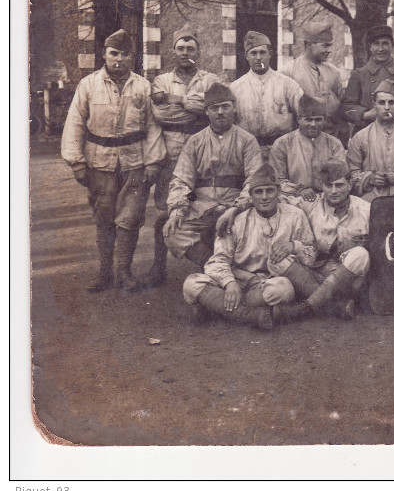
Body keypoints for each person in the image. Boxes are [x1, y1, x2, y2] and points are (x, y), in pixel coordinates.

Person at [61, 29, 165, 293]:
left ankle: (124, 273)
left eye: (125, 54)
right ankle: (104, 273)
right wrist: (77, 161)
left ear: (132, 56)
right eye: (114, 53)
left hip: (134, 164)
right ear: (104, 54)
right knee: (104, 217)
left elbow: (153, 125)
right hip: (100, 164)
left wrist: (153, 162)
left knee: (130, 219)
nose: (119, 59)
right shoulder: (89, 85)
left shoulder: (142, 86)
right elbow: (74, 122)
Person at [182, 164, 317, 330]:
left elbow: (311, 256)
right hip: (237, 279)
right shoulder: (236, 221)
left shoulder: (295, 215)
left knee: (284, 289)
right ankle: (252, 315)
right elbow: (218, 261)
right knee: (191, 283)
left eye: (270, 190)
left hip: (267, 283)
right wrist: (229, 283)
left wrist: (293, 246)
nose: (264, 197)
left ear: (278, 192)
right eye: (258, 192)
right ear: (251, 196)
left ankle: (217, 308)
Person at [148, 26, 221, 286]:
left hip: (203, 157)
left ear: (198, 52)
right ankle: (158, 267)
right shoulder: (161, 81)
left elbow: (212, 107)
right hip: (172, 156)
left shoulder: (211, 80)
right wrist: (189, 105)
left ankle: (210, 265)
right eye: (181, 48)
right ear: (173, 51)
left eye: (190, 48)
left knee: (203, 205)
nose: (185, 53)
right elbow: (161, 114)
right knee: (166, 210)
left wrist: (177, 102)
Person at [163, 83, 264, 268]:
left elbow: (254, 180)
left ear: (234, 107)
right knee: (172, 232)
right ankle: (213, 266)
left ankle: (234, 269)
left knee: (253, 234)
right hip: (200, 206)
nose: (220, 112)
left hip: (235, 206)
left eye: (225, 106)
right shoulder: (195, 141)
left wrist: (236, 208)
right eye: (214, 108)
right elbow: (182, 179)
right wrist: (178, 209)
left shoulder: (247, 140)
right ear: (206, 112)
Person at [275, 159, 371, 323]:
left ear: (349, 185)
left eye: (339, 185)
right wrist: (235, 209)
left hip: (349, 281)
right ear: (322, 186)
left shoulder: (366, 209)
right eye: (328, 185)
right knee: (277, 259)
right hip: (315, 274)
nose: (333, 191)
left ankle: (306, 308)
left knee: (361, 254)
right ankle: (335, 306)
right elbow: (274, 200)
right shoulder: (310, 204)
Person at [346, 79, 394, 202]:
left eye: (391, 102)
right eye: (382, 102)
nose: (387, 107)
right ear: (374, 105)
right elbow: (351, 173)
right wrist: (369, 179)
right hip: (370, 198)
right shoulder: (360, 137)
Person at [230, 30, 304, 156]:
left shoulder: (288, 85)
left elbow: (303, 116)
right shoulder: (235, 88)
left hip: (283, 150)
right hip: (247, 151)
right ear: (246, 56)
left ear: (270, 54)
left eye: (262, 53)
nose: (258, 58)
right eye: (253, 53)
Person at [341, 24, 394, 136]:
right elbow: (347, 106)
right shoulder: (359, 75)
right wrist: (366, 114)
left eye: (385, 43)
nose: (380, 49)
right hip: (366, 133)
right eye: (376, 44)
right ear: (370, 47)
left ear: (393, 46)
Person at [268, 94, 348, 201]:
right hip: (292, 198)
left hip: (327, 198)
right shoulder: (283, 144)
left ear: (324, 120)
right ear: (299, 119)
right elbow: (276, 180)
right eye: (308, 120)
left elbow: (340, 178)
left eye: (318, 119)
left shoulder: (334, 144)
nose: (313, 124)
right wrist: (298, 190)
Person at [280, 21, 347, 141]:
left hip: (330, 139)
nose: (329, 50)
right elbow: (284, 112)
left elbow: (341, 109)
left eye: (330, 45)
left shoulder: (334, 72)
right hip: (299, 140)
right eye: (325, 45)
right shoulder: (288, 71)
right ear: (310, 45)